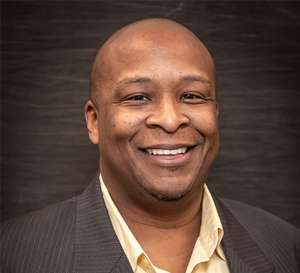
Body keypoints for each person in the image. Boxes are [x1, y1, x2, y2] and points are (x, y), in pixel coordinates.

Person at [1, 18, 299, 273]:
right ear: (94, 121)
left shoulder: (287, 248)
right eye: (139, 97)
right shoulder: (13, 254)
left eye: (192, 96)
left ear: (215, 113)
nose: (170, 120)